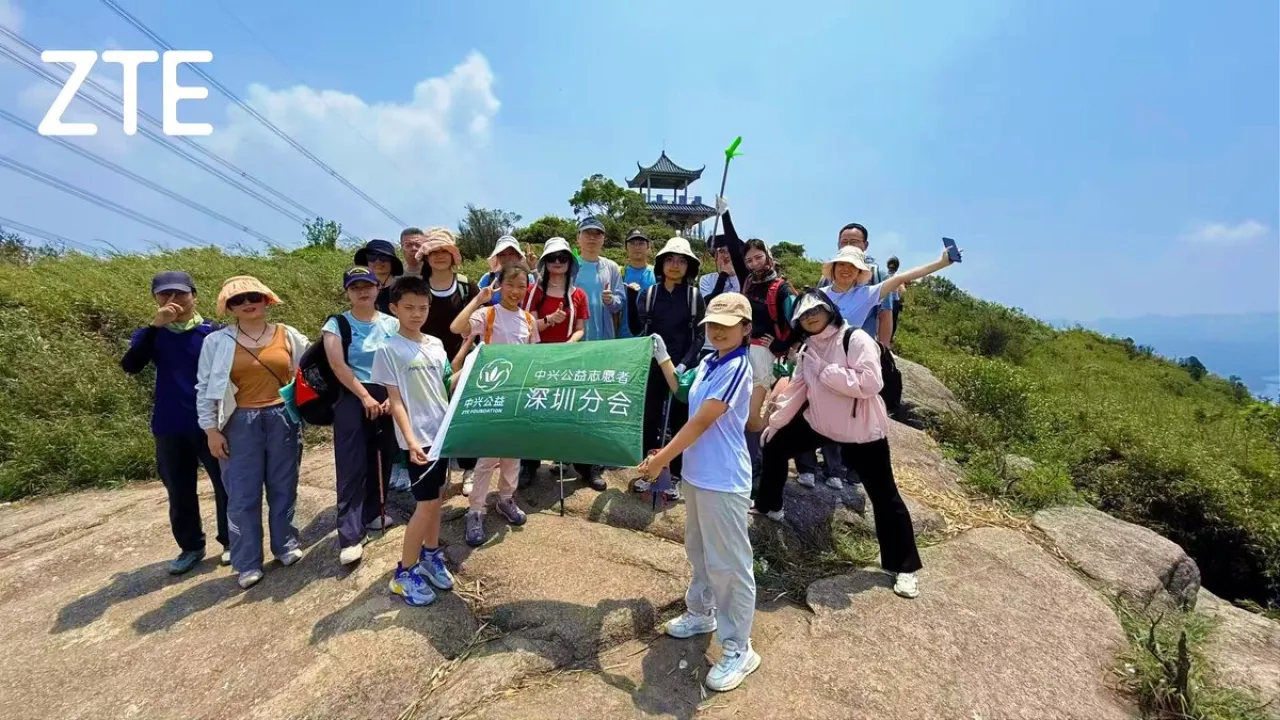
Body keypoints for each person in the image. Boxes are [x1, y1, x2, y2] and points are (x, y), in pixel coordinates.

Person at [637, 293, 767, 693]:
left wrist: (661, 460)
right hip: (696, 474)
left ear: (745, 329)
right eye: (713, 325)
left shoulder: (738, 367)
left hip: (724, 479)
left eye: (727, 326)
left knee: (730, 564)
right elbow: (682, 394)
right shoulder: (710, 361)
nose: (718, 332)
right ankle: (701, 611)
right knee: (698, 550)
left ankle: (738, 647)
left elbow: (703, 422)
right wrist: (661, 357)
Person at [756, 290, 922, 598]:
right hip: (820, 423)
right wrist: (775, 424)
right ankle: (769, 507)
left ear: (829, 310)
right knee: (776, 447)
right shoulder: (807, 348)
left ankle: (904, 567)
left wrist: (826, 371)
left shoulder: (856, 339)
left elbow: (871, 383)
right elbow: (798, 389)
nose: (810, 317)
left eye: (815, 310)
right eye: (804, 315)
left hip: (860, 431)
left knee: (884, 496)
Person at [197, 276, 310, 590]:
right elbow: (205, 388)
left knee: (283, 485)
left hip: (282, 417)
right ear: (229, 307)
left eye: (253, 297)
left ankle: (285, 544)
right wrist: (210, 430)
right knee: (242, 493)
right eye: (238, 300)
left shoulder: (288, 335)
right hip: (238, 422)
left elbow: (311, 368)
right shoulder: (216, 342)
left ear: (266, 300)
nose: (247, 304)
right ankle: (246, 562)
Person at [121, 271, 230, 574]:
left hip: (212, 423)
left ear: (194, 296)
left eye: (180, 294)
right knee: (179, 489)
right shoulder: (151, 335)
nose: (173, 301)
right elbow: (131, 365)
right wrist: (156, 327)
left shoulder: (214, 332)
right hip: (169, 423)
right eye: (164, 295)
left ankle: (231, 541)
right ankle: (191, 546)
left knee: (225, 485)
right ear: (155, 299)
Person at [375, 276, 462, 606]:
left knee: (437, 499)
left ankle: (429, 555)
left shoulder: (436, 344)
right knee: (425, 505)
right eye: (408, 307)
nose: (416, 313)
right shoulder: (389, 349)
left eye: (423, 307)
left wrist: (468, 353)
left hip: (442, 433)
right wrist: (410, 441)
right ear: (394, 308)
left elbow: (444, 385)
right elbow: (395, 401)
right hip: (419, 439)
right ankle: (403, 573)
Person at [449, 264, 540, 545]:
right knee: (487, 458)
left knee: (513, 452)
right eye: (510, 285)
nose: (516, 291)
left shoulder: (528, 319)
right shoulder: (488, 314)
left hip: (517, 393)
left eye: (522, 286)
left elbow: (534, 356)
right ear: (500, 285)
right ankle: (476, 510)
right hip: (490, 393)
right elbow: (456, 327)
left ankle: (505, 499)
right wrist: (479, 298)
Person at [323, 267, 401, 566]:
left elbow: (401, 359)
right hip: (352, 395)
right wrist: (365, 396)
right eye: (355, 287)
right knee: (352, 463)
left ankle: (373, 514)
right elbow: (338, 365)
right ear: (347, 292)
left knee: (381, 458)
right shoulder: (337, 324)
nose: (362, 291)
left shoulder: (392, 324)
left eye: (367, 285)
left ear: (378, 288)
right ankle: (350, 535)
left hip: (388, 393)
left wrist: (392, 398)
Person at [627, 237, 705, 501]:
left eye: (681, 261)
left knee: (680, 421)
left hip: (683, 370)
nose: (675, 265)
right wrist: (629, 298)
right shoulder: (649, 295)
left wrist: (683, 364)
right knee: (649, 419)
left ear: (688, 266)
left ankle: (673, 476)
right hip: (653, 367)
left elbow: (699, 337)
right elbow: (640, 330)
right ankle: (649, 472)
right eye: (670, 259)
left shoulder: (694, 297)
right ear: (661, 263)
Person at [518, 237, 593, 488]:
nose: (558, 262)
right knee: (534, 411)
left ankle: (581, 464)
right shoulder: (533, 292)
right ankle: (529, 464)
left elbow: (581, 328)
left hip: (568, 359)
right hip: (538, 359)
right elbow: (527, 328)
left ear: (570, 262)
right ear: (544, 262)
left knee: (570, 410)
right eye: (552, 258)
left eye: (563, 258)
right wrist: (550, 320)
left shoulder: (578, 294)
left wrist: (570, 344)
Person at [414, 228, 481, 493]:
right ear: (426, 257)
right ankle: (438, 472)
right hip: (424, 362)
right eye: (433, 252)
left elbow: (479, 323)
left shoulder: (467, 286)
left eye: (445, 251)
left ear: (453, 256)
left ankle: (468, 470)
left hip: (462, 359)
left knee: (462, 416)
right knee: (431, 417)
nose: (440, 256)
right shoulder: (418, 288)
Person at [573, 216, 625, 341]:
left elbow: (621, 301)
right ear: (578, 239)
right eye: (587, 233)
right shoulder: (570, 266)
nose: (592, 238)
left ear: (603, 240)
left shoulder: (611, 267)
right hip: (576, 336)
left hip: (605, 337)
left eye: (597, 234)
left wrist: (611, 300)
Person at [696, 241, 741, 360]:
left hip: (737, 343)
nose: (726, 255)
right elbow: (711, 303)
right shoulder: (706, 279)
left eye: (730, 252)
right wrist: (723, 275)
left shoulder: (744, 279)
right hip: (710, 344)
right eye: (722, 251)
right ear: (715, 256)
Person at [477, 235, 536, 307]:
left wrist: (533, 268)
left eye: (511, 254)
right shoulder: (488, 278)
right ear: (497, 257)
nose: (507, 258)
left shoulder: (529, 278)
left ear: (518, 256)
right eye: (502, 254)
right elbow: (476, 301)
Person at [618, 229, 656, 339]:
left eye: (641, 243)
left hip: (650, 336)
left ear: (648, 246)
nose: (637, 247)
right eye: (632, 243)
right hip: (624, 336)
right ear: (626, 247)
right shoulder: (620, 273)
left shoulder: (657, 274)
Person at [355, 239, 404, 314]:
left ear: (392, 262)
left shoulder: (403, 288)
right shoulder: (360, 288)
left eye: (383, 257)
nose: (378, 261)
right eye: (372, 257)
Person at [885, 256, 903, 343]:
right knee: (893, 323)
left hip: (883, 300)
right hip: (894, 302)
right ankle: (889, 341)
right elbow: (903, 291)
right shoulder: (898, 276)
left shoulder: (883, 274)